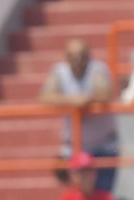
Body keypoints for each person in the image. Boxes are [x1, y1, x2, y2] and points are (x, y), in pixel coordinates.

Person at [40, 39, 118, 190]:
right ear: (66, 57)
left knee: (102, 194)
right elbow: (45, 97)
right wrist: (73, 100)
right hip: (75, 147)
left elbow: (105, 94)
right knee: (77, 195)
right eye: (73, 56)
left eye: (81, 56)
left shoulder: (98, 69)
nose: (77, 60)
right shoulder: (60, 71)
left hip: (104, 146)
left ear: (88, 56)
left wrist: (87, 99)